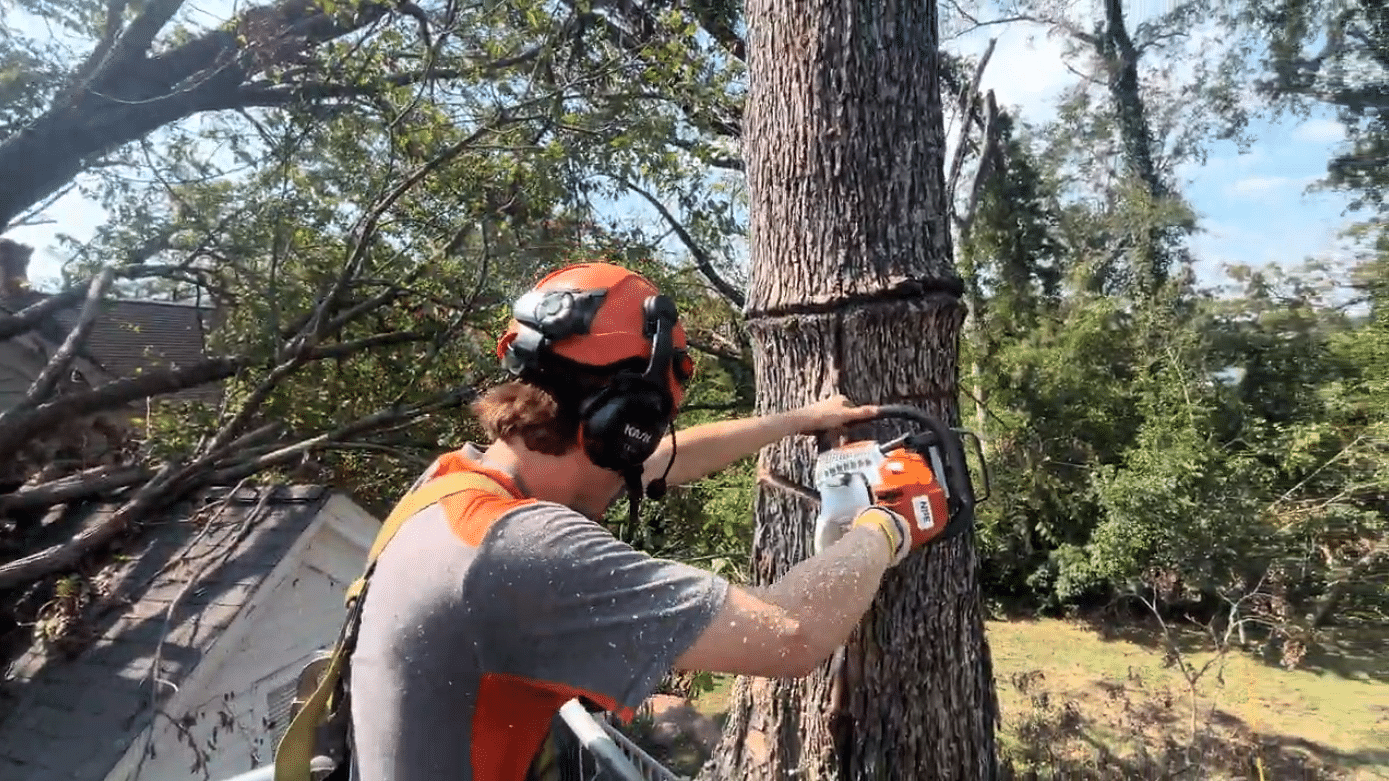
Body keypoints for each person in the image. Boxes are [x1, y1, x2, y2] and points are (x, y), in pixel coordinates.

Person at [345, 262, 946, 781]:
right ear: (622, 425)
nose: (643, 456)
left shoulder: (453, 490)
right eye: (646, 432)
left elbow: (659, 462)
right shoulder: (523, 550)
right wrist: (888, 523)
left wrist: (796, 421)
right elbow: (789, 635)